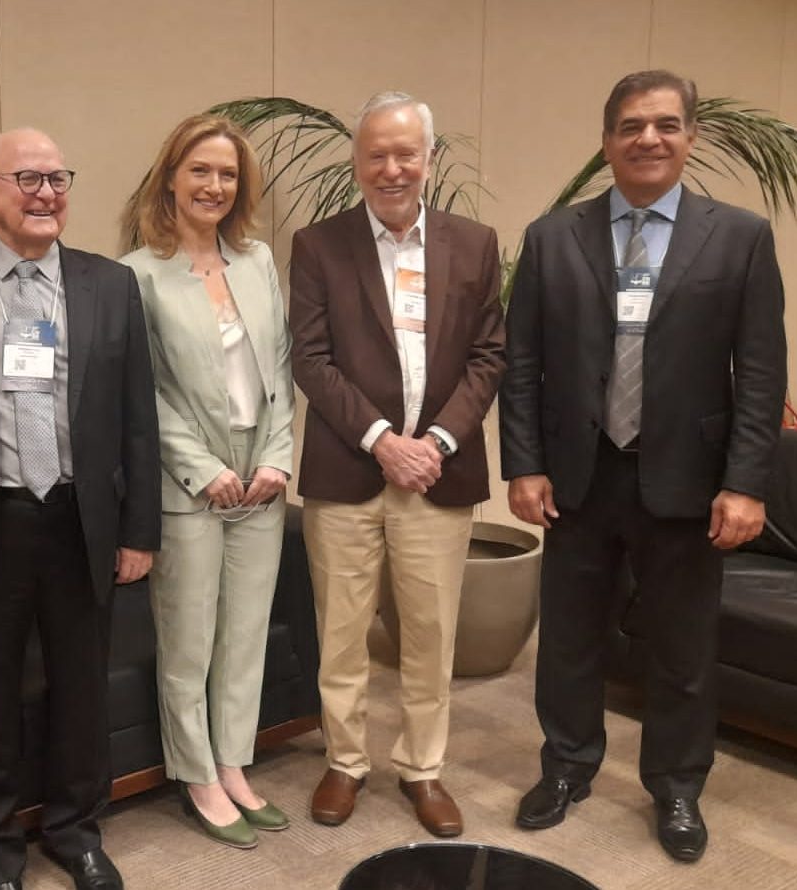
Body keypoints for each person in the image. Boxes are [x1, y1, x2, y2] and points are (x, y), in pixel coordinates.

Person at [501, 69, 787, 863]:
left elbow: (761, 372)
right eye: (630, 126)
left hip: (689, 480)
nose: (647, 139)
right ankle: (566, 767)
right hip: (579, 475)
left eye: (664, 124)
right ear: (606, 143)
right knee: (568, 640)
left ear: (690, 137)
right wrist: (523, 465)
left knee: (682, 648)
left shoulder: (739, 238)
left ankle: (677, 786)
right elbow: (522, 364)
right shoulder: (552, 237)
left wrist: (745, 482)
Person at [0, 128, 160, 890]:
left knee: (81, 692)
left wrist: (139, 530)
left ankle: (76, 832)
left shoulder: (110, 284)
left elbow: (138, 417)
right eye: (27, 178)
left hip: (82, 520)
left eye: (58, 179)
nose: (46, 193)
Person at [288, 91, 506, 837]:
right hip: (347, 472)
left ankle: (422, 768)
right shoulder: (319, 245)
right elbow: (311, 360)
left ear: (429, 159)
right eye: (376, 154)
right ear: (356, 162)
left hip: (438, 476)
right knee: (341, 634)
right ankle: (345, 762)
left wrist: (435, 443)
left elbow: (489, 356)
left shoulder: (474, 244)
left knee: (430, 634)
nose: (391, 168)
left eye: (405, 153)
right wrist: (383, 440)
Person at [116, 114, 294, 849]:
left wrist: (278, 456)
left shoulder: (257, 260)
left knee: (245, 636)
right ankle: (197, 775)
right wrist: (203, 467)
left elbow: (279, 366)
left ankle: (233, 763)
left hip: (262, 479)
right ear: (170, 178)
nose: (214, 186)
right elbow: (141, 393)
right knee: (189, 641)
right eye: (200, 171)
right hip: (188, 482)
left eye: (227, 174)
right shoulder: (137, 273)